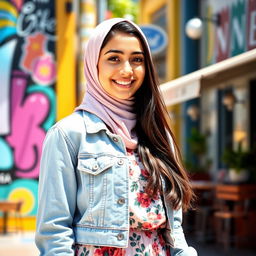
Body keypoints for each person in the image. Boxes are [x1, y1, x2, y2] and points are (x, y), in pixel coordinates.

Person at [35, 18, 197, 256]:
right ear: (94, 64)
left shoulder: (159, 136)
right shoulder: (68, 135)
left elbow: (174, 228)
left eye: (137, 60)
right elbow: (54, 230)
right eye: (114, 58)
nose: (127, 70)